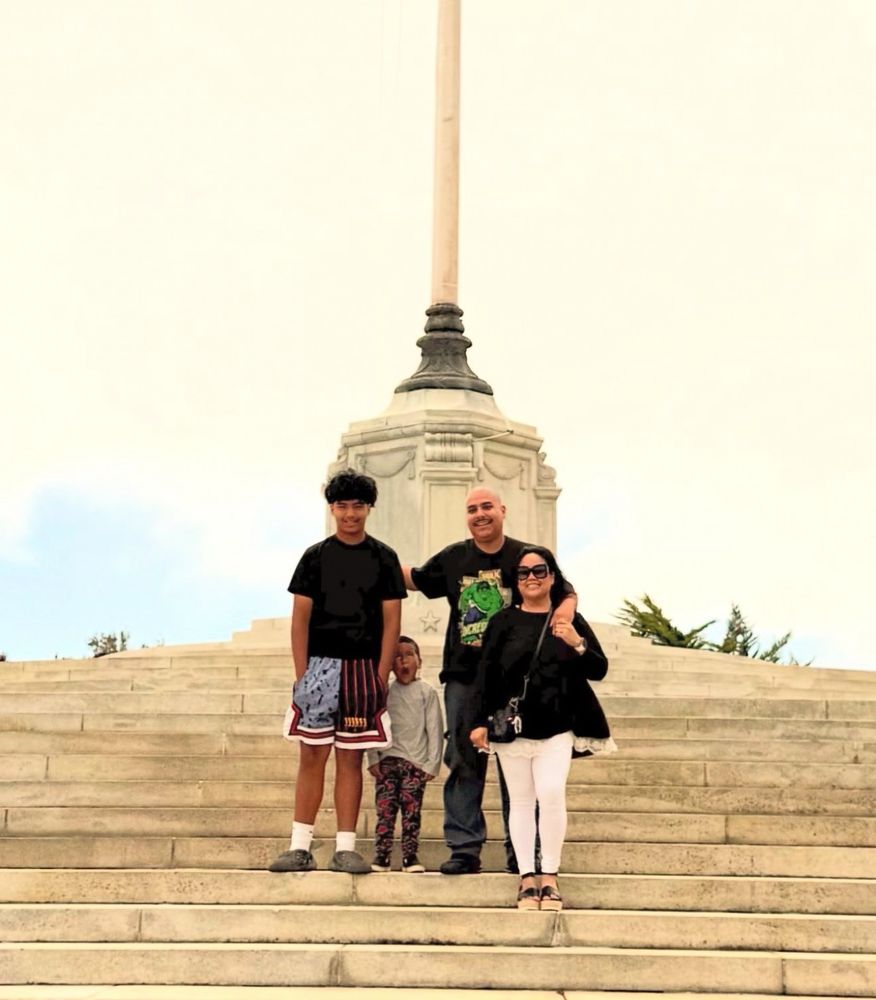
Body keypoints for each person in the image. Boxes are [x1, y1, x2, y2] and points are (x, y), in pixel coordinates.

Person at [403, 486, 576, 875]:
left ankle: (523, 853)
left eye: (486, 507)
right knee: (464, 759)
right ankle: (464, 848)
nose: (480, 514)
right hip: (464, 676)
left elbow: (565, 591)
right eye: (472, 509)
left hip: (515, 680)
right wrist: (370, 556)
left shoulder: (524, 556)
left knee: (519, 764)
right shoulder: (454, 557)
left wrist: (564, 615)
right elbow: (415, 578)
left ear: (502, 510)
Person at [269, 469, 406, 875]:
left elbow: (392, 622)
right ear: (332, 509)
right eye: (342, 506)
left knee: (350, 758)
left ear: (369, 509)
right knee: (312, 756)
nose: (350, 514)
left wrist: (380, 675)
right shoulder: (315, 556)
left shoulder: (384, 557)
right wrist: (303, 675)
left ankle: (346, 848)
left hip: (363, 669)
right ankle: (300, 846)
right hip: (320, 667)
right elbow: (300, 619)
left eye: (357, 506)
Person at [470, 545, 616, 910]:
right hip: (513, 728)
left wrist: (576, 643)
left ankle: (549, 875)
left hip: (557, 725)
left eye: (539, 571)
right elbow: (485, 675)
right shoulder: (502, 622)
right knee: (520, 802)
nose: (531, 578)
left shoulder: (569, 621)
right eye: (523, 573)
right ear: (515, 580)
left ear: (552, 577)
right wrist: (478, 722)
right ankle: (526, 879)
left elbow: (598, 669)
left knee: (551, 794)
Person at [367, 635, 444, 872]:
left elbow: (435, 729)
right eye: (397, 657)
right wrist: (372, 756)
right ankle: (382, 855)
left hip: (415, 764)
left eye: (409, 655)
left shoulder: (427, 693)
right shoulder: (384, 692)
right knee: (385, 810)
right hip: (387, 761)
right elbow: (374, 725)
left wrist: (432, 763)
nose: (403, 661)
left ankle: (410, 856)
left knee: (412, 812)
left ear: (419, 661)